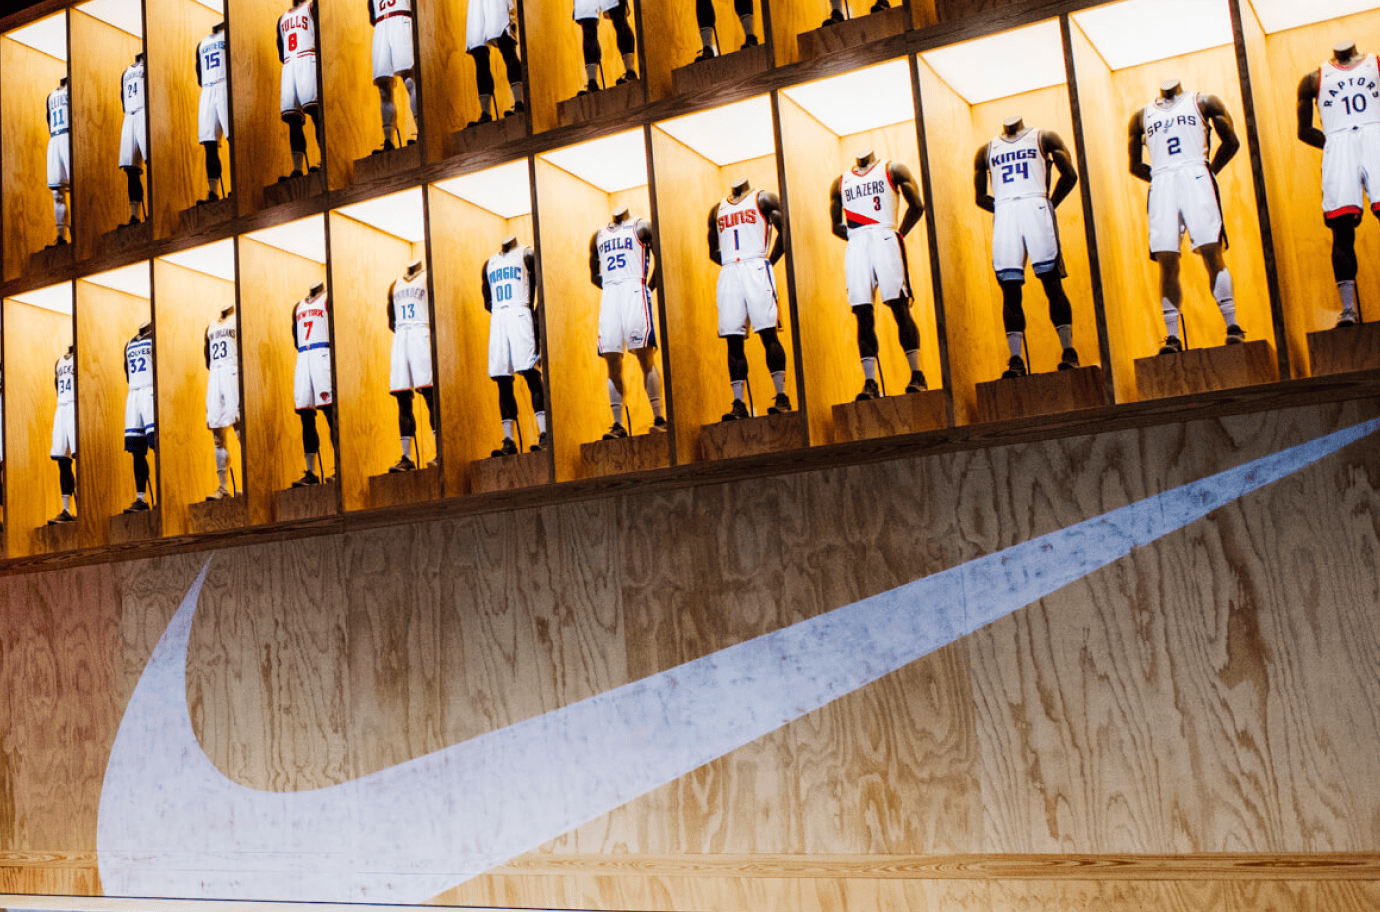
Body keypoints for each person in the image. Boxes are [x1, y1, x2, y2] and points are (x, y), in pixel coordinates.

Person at [1128, 79, 1243, 353]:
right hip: (1162, 179)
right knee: (1166, 258)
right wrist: (1157, 179)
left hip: (1196, 171)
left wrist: (1209, 171)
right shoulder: (1141, 116)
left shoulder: (1203, 101)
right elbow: (1133, 164)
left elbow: (1232, 141)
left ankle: (1233, 325)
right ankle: (1172, 337)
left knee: (1211, 251)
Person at [974, 117, 1080, 378]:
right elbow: (979, 196)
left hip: (1036, 204)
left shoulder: (1044, 136)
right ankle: (1016, 359)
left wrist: (1049, 203)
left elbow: (1070, 175)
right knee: (1009, 290)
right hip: (1006, 210)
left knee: (1051, 281)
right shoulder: (986, 150)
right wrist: (1001, 209)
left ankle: (1069, 350)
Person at [1297, 40, 1380, 328]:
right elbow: (1304, 129)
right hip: (1338, 141)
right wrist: (1331, 143)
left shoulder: (1375, 64)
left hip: (1375, 133)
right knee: (1341, 229)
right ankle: (1348, 310)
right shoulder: (1312, 79)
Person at [832, 149, 927, 398]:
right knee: (862, 312)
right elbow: (835, 225)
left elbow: (917, 206)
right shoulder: (841, 181)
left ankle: (917, 374)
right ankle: (870, 382)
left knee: (898, 305)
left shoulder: (892, 168)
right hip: (857, 242)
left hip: (886, 233)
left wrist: (897, 235)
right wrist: (855, 239)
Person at [708, 178, 790, 419]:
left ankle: (782, 396)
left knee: (768, 332)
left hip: (757, 264)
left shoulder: (763, 198)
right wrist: (731, 263)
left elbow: (785, 233)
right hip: (730, 270)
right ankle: (738, 403)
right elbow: (712, 249)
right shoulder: (717, 208)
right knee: (732, 339)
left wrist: (768, 262)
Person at [590, 209, 665, 439]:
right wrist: (614, 290)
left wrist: (646, 288)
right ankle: (617, 424)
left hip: (635, 287)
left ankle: (660, 418)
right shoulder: (599, 235)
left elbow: (661, 262)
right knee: (611, 358)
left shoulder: (642, 226)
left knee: (644, 353)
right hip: (611, 293)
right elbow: (594, 274)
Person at [485, 238, 547, 454]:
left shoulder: (526, 254)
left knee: (531, 373)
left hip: (521, 312)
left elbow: (539, 284)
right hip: (499, 317)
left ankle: (545, 433)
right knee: (502, 379)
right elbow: (486, 299)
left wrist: (535, 315)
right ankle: (509, 440)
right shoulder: (490, 263)